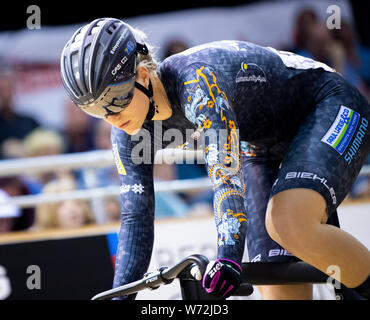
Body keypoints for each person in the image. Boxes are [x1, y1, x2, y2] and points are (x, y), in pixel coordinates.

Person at [60, 18, 370, 300]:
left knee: (287, 222)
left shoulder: (194, 81)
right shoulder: (129, 132)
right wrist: (120, 299)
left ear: (142, 74)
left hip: (327, 105)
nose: (111, 118)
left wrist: (227, 258)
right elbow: (135, 219)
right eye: (96, 110)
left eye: (115, 100)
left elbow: (224, 173)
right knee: (279, 291)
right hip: (261, 146)